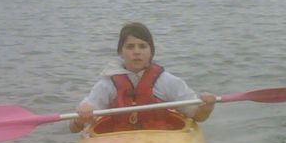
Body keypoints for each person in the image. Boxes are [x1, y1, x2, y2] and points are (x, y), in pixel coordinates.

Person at [69, 22, 216, 133]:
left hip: (158, 139)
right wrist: (80, 118)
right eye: (130, 47)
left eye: (142, 46)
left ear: (151, 51)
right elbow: (73, 128)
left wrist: (207, 107)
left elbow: (198, 117)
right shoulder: (107, 84)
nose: (137, 52)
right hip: (120, 141)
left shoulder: (167, 82)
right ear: (121, 51)